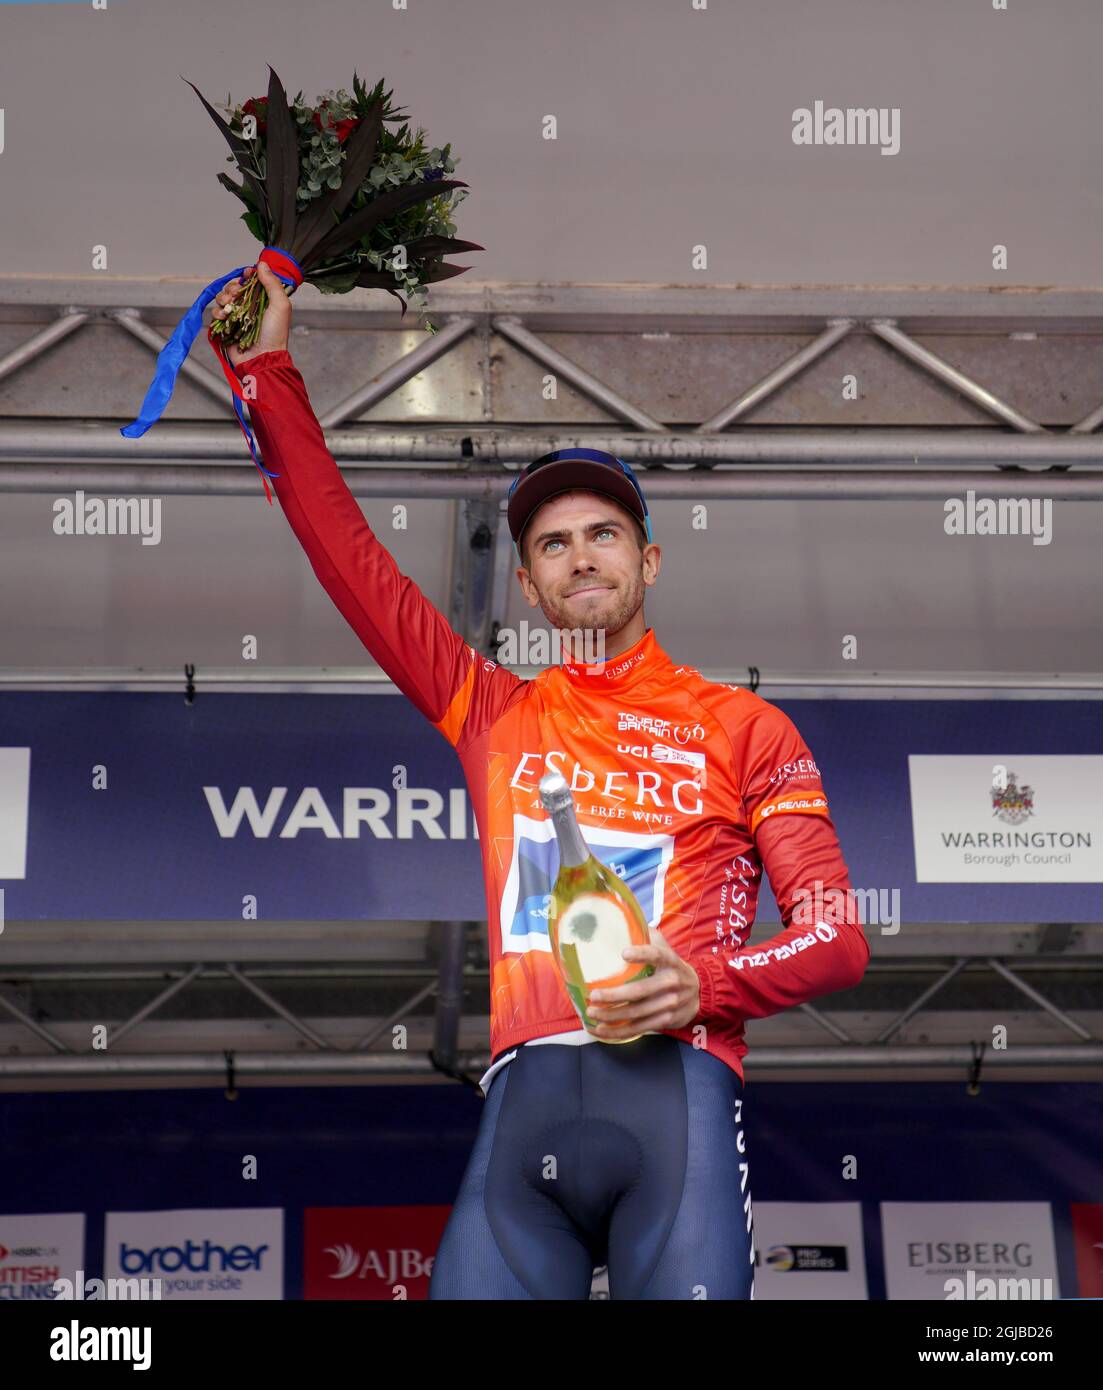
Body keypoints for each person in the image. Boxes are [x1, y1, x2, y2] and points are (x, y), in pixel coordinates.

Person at [213, 261, 870, 1300]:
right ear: (526, 582)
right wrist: (263, 372)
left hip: (680, 1103)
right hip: (520, 1112)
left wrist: (706, 985)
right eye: (552, 544)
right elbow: (344, 553)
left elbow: (835, 935)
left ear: (648, 561)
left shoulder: (743, 725)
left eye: (602, 533)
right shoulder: (491, 711)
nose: (579, 558)